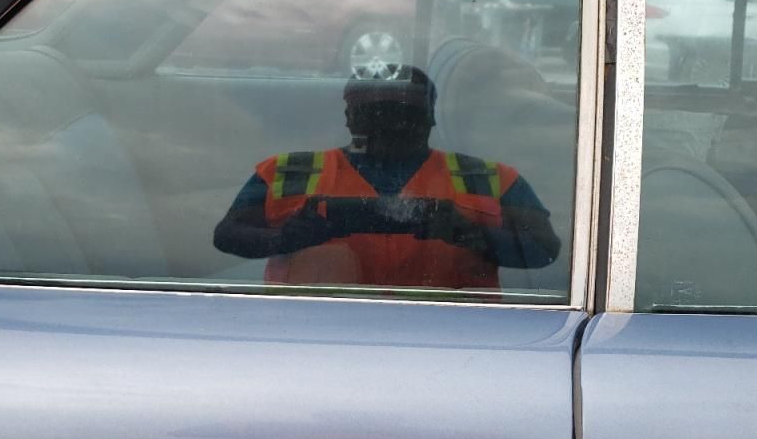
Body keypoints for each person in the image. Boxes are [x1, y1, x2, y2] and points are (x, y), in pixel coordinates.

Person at [213, 66, 560, 289]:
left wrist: (463, 230)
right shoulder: (285, 172)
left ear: (429, 118)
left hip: (455, 338)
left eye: (403, 113)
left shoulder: (492, 178)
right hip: (310, 333)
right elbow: (227, 236)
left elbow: (544, 250)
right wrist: (287, 238)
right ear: (350, 118)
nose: (389, 123)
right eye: (373, 113)